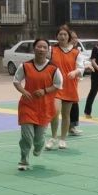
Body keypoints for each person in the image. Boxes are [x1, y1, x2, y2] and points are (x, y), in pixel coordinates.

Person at [13, 38, 62, 171]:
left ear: (48, 50)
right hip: (27, 105)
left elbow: (58, 84)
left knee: (39, 139)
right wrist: (24, 91)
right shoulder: (25, 66)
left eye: (44, 47)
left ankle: (39, 146)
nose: (41, 49)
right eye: (39, 47)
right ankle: (23, 160)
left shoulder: (53, 68)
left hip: (44, 107)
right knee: (27, 136)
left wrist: (45, 91)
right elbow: (16, 81)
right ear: (34, 49)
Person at [48, 25, 82, 150]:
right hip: (56, 87)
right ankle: (53, 137)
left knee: (66, 114)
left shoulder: (76, 52)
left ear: (69, 37)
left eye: (65, 34)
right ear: (57, 36)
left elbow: (81, 68)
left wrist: (75, 72)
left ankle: (63, 139)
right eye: (60, 34)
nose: (62, 36)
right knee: (55, 112)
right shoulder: (51, 50)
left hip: (69, 86)